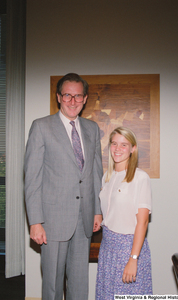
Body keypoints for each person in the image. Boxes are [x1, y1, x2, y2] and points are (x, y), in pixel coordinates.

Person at [25, 73, 103, 300]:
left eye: (78, 96)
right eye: (67, 95)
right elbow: (32, 178)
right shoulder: (41, 127)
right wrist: (35, 221)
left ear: (85, 98)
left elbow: (95, 172)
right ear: (59, 97)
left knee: (79, 283)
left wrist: (97, 210)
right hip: (52, 220)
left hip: (84, 219)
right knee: (52, 283)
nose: (72, 101)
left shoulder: (92, 128)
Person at [96, 126, 152, 299]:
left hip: (128, 248)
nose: (117, 149)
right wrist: (99, 217)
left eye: (124, 145)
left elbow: (142, 222)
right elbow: (108, 207)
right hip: (107, 247)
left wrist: (133, 258)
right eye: (114, 143)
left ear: (133, 149)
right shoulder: (107, 176)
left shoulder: (140, 177)